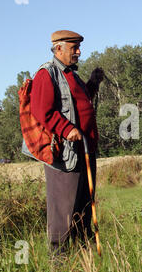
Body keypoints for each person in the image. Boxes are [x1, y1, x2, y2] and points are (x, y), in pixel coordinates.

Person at [30, 30, 104, 256]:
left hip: (85, 151)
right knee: (63, 212)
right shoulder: (47, 74)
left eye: (79, 47)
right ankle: (59, 261)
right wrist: (66, 129)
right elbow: (42, 110)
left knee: (83, 208)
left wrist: (92, 82)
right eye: (74, 48)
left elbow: (80, 101)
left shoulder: (72, 75)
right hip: (66, 156)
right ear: (59, 48)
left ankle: (85, 258)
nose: (79, 52)